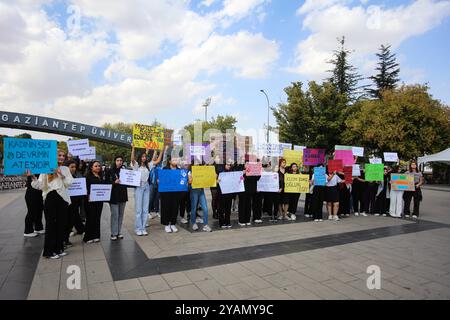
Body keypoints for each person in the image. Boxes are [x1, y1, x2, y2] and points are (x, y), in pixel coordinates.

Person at [31, 149, 74, 259]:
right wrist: (33, 178)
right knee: (51, 224)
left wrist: (61, 175)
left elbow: (69, 183)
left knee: (61, 224)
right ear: (53, 156)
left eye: (63, 155)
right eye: (59, 155)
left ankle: (59, 249)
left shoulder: (65, 169)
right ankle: (49, 251)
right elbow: (40, 186)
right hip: (50, 197)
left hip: (63, 199)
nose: (61, 157)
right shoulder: (46, 168)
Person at [105, 156, 128, 240]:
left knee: (121, 215)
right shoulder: (109, 171)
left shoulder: (125, 171)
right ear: (114, 161)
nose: (119, 162)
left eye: (121, 160)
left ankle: (119, 232)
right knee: (115, 215)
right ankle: (113, 233)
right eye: (118, 160)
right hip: (113, 196)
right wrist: (114, 182)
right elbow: (106, 183)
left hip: (123, 195)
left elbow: (130, 181)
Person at [130, 145, 151, 236]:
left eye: (145, 157)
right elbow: (132, 159)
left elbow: (156, 160)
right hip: (139, 187)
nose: (144, 158)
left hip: (147, 187)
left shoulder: (148, 166)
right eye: (142, 157)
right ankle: (138, 228)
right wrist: (133, 148)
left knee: (145, 209)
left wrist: (149, 151)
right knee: (139, 209)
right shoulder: (136, 166)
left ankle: (143, 227)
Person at [83, 161, 106, 243]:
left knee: (97, 217)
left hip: (99, 201)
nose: (98, 167)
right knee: (90, 218)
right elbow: (85, 189)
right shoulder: (87, 177)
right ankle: (88, 237)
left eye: (99, 166)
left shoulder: (101, 176)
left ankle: (96, 235)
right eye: (96, 166)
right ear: (91, 167)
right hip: (90, 201)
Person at [64, 160, 85, 247]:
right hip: (66, 203)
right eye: (71, 167)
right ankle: (64, 240)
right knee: (67, 222)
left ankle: (67, 239)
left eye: (74, 167)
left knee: (71, 220)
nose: (73, 169)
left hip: (75, 203)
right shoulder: (63, 177)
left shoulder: (75, 176)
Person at [189, 162, 213, 232]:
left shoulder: (202, 170)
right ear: (193, 164)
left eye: (198, 163)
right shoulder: (190, 171)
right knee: (193, 208)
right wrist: (190, 180)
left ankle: (205, 225)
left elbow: (207, 177)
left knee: (205, 208)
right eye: (196, 163)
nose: (197, 164)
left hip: (201, 191)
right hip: (194, 191)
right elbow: (189, 182)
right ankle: (193, 223)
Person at [239, 160, 262, 226]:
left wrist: (258, 170)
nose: (247, 165)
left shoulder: (253, 171)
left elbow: (257, 178)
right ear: (244, 165)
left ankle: (247, 220)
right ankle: (241, 220)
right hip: (242, 191)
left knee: (248, 205)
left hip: (250, 191)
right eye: (246, 164)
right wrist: (242, 173)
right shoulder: (241, 171)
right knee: (242, 205)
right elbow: (239, 180)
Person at [23, 171, 44, 238]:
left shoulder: (41, 168)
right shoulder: (31, 169)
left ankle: (38, 228)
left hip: (39, 193)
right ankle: (28, 231)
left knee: (39, 211)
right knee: (31, 212)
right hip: (31, 194)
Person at [148, 149, 165, 219]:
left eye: (157, 156)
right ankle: (148, 211)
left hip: (159, 185)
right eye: (155, 156)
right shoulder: (151, 164)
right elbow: (155, 159)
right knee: (150, 198)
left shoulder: (160, 165)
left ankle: (157, 211)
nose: (156, 157)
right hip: (152, 184)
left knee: (157, 198)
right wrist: (158, 150)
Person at [217, 160, 234, 228]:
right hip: (222, 193)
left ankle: (228, 221)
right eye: (227, 165)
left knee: (228, 208)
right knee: (221, 208)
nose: (228, 166)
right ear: (224, 165)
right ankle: (221, 222)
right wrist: (217, 181)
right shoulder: (220, 172)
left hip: (229, 193)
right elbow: (215, 180)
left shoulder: (232, 173)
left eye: (229, 165)